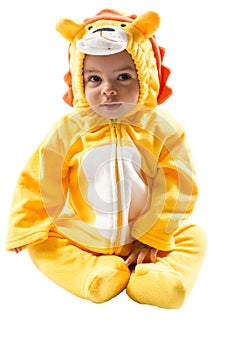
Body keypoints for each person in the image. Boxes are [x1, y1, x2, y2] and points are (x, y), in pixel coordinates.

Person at [6, 9, 207, 308]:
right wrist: (25, 225)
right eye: (95, 79)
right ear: (79, 83)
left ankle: (161, 278)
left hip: (148, 242)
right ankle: (94, 275)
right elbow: (38, 179)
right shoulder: (68, 131)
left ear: (146, 76)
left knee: (194, 236)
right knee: (42, 243)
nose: (108, 89)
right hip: (85, 238)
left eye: (123, 77)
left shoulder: (162, 131)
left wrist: (152, 236)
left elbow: (178, 184)